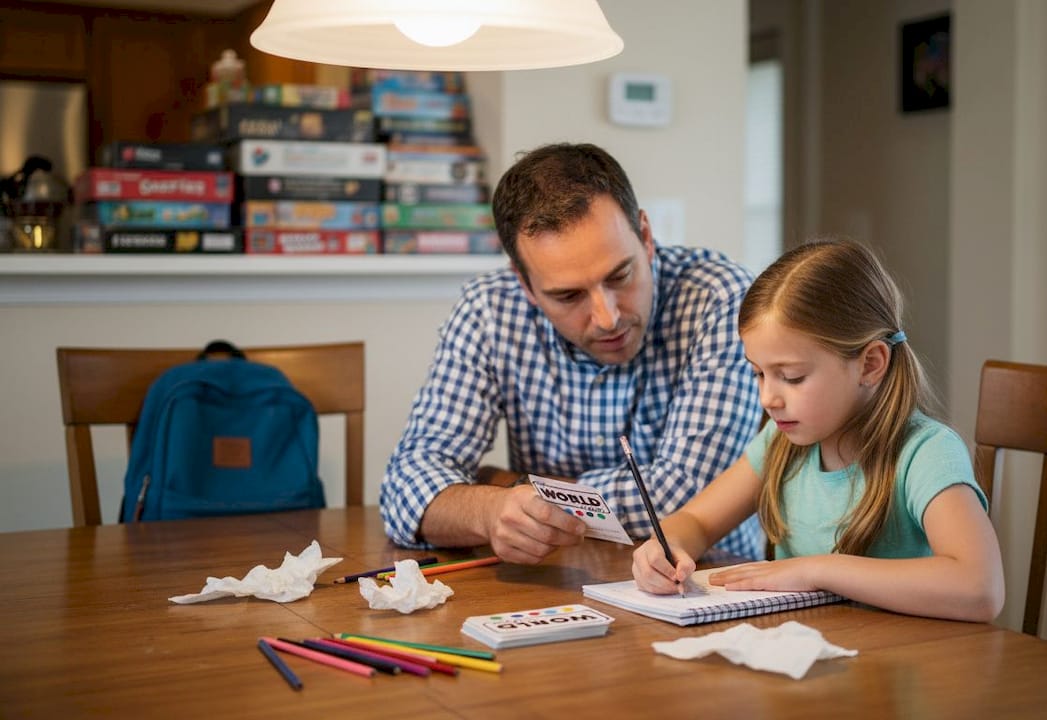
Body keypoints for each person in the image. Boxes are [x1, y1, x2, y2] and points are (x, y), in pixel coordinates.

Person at [380, 142, 764, 564]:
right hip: (548, 589)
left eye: (620, 275)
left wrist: (509, 484)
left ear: (647, 237)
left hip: (708, 588)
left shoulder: (722, 300)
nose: (607, 317)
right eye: (568, 295)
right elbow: (405, 489)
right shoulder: (489, 309)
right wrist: (488, 510)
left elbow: (685, 497)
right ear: (525, 285)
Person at [632, 240, 1004, 622]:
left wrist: (816, 570)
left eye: (791, 377)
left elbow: (980, 588)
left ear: (870, 364)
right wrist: (666, 547)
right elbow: (697, 521)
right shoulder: (781, 445)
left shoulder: (926, 453)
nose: (768, 398)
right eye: (758, 373)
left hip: (904, 667)